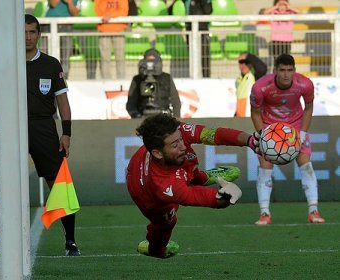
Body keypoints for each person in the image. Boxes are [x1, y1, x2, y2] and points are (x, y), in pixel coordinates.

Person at [0, 14, 81, 257]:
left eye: (31, 32)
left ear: (39, 35)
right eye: (23, 32)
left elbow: (63, 101)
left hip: (44, 128)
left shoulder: (51, 64)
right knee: (4, 186)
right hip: (10, 128)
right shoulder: (5, 62)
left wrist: (66, 133)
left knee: (59, 185)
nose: (27, 37)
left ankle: (71, 241)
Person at [126, 113, 261, 258]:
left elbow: (214, 135)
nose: (183, 146)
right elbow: (198, 196)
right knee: (166, 222)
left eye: (181, 139)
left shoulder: (177, 132)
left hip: (159, 165)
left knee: (186, 159)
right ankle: (155, 250)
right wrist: (227, 196)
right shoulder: (164, 186)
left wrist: (250, 140)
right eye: (175, 144)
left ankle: (201, 177)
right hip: (144, 193)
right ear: (158, 153)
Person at [250, 53, 325, 225]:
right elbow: (254, 112)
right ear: (275, 70)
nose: (286, 74)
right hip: (271, 128)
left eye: (289, 70)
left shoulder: (305, 84)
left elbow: (308, 107)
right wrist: (264, 135)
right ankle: (264, 214)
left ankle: (313, 211)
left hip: (295, 127)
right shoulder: (260, 87)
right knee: (265, 167)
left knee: (306, 166)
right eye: (282, 70)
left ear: (294, 71)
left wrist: (303, 133)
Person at [126, 48, 181, 118]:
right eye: (148, 60)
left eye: (153, 60)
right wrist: (137, 116)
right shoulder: (137, 80)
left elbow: (176, 101)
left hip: (163, 117)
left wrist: (176, 120)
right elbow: (131, 103)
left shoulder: (166, 78)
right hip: (143, 118)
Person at [46, 0, 81, 79]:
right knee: (48, 57)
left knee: (65, 56)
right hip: (49, 26)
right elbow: (53, 4)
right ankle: (49, 79)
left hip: (66, 27)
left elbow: (75, 14)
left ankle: (63, 81)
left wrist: (70, 2)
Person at [95, 0, 128, 79]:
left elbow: (124, 12)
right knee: (104, 59)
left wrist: (110, 15)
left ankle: (121, 81)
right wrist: (107, 15)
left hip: (119, 29)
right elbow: (98, 12)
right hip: (104, 30)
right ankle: (106, 82)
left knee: (120, 58)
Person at [264, 0, 300, 67]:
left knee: (286, 61)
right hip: (275, 41)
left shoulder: (290, 13)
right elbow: (265, 12)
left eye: (284, 4)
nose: (282, 7)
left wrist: (289, 7)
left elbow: (299, 12)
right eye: (280, 5)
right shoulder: (274, 13)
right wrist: (276, 6)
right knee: (277, 61)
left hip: (286, 41)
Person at [184, 0, 212, 78]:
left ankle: (206, 77)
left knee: (204, 55)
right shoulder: (187, 1)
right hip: (190, 29)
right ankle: (192, 76)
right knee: (192, 54)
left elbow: (208, 10)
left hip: (202, 29)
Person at [235, 52, 267, 117]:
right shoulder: (238, 80)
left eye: (246, 62)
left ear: (251, 64)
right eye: (241, 62)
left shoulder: (254, 75)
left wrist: (248, 56)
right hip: (240, 117)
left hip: (251, 117)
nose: (243, 65)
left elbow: (263, 69)